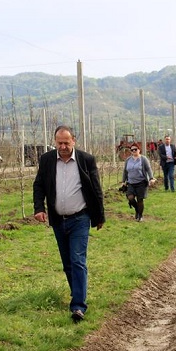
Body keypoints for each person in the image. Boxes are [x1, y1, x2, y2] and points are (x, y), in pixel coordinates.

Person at [33, 125, 105, 323]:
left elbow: (96, 188)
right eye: (59, 143)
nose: (63, 146)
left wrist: (99, 216)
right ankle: (78, 293)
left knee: (77, 260)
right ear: (55, 142)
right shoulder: (47, 160)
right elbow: (39, 185)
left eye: (66, 142)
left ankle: (78, 306)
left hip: (80, 218)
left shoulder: (86, 160)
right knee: (67, 264)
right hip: (58, 219)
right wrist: (39, 208)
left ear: (74, 140)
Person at [122, 143, 156, 221]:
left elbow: (148, 169)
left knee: (140, 199)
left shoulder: (143, 159)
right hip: (131, 183)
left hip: (141, 182)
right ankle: (137, 209)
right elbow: (125, 171)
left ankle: (140, 216)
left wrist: (151, 178)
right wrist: (123, 181)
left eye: (135, 149)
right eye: (132, 150)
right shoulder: (128, 160)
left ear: (139, 150)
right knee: (130, 197)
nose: (134, 151)